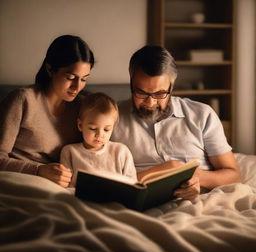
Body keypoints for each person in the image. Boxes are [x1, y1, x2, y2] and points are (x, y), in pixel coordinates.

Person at [111, 45, 240, 200]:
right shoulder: (111, 117)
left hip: (200, 201)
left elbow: (234, 175)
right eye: (141, 92)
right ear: (131, 82)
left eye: (160, 93)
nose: (150, 102)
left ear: (171, 87)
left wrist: (194, 177)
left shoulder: (202, 114)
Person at [0, 35, 94, 188]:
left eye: (84, 79)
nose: (77, 87)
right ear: (50, 70)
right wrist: (38, 170)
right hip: (20, 183)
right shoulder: (23, 100)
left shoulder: (83, 106)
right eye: (70, 77)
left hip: (62, 187)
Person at [60, 92, 137, 187]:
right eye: (93, 128)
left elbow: (132, 183)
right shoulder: (69, 152)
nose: (100, 135)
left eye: (106, 129)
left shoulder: (121, 151)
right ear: (80, 125)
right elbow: (65, 186)